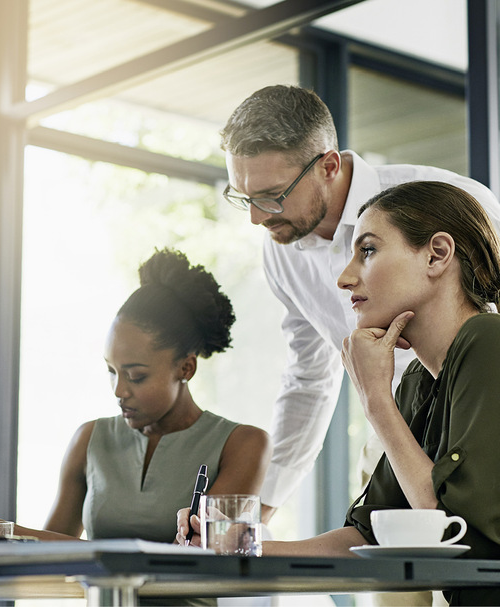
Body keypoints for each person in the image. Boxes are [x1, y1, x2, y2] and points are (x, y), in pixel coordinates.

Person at [178, 181, 500, 606]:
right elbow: (368, 538)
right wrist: (235, 542)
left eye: (367, 251)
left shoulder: (489, 341)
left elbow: (463, 540)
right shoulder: (418, 383)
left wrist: (375, 401)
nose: (345, 278)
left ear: (437, 254)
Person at [219, 85, 500, 521]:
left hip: (481, 421)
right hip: (389, 430)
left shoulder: (449, 199)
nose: (257, 216)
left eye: (272, 194)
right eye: (243, 198)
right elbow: (310, 378)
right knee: (382, 573)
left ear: (328, 165)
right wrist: (255, 516)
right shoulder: (280, 248)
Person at [14, 248, 270, 544]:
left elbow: (191, 557)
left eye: (136, 376)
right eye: (112, 371)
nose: (119, 391)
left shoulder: (243, 445)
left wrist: (21, 535)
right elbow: (50, 559)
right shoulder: (89, 439)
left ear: (186, 367)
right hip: (100, 594)